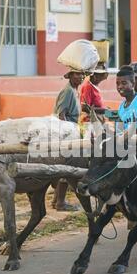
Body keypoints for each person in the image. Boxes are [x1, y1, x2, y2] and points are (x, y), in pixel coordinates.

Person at [51, 70, 85, 211]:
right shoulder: (68, 91)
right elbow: (61, 114)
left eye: (82, 74)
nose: (81, 77)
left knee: (64, 168)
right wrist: (65, 137)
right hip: (65, 133)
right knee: (67, 168)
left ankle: (56, 200)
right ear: (70, 76)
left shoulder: (74, 91)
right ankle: (60, 203)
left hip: (71, 131)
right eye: (77, 74)